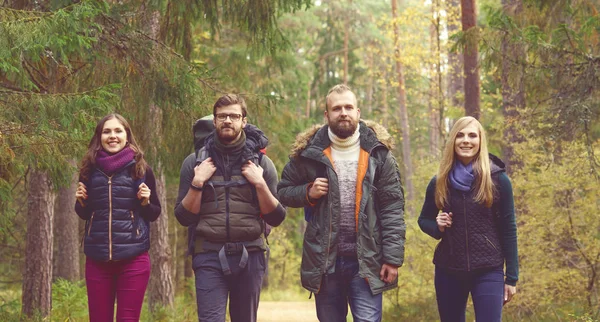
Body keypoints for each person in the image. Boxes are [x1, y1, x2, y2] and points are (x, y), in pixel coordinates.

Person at [277, 84, 406, 322]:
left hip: (367, 261)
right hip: (325, 261)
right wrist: (308, 192)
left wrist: (392, 258)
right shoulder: (309, 153)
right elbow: (283, 191)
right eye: (336, 108)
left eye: (348, 107)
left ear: (358, 112)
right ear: (327, 115)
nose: (343, 113)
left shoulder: (379, 154)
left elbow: (392, 208)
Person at [174, 94, 286, 322]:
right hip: (208, 255)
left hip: (251, 254)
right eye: (222, 116)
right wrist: (198, 183)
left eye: (234, 116)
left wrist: (260, 183)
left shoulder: (261, 163)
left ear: (244, 121)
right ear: (214, 121)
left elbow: (276, 216)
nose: (227, 120)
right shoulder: (194, 162)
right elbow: (183, 217)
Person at [417, 116, 519, 322]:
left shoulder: (498, 180)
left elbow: (509, 229)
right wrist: (438, 227)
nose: (466, 140)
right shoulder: (439, 181)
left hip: (489, 269)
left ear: (480, 141)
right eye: (460, 135)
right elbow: (423, 219)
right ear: (452, 141)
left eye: (472, 135)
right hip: (448, 270)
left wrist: (512, 278)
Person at [75, 113, 161, 322]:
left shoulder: (141, 169)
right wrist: (81, 202)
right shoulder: (88, 169)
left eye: (118, 131)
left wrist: (145, 202)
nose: (112, 136)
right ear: (99, 137)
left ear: (127, 136)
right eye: (107, 131)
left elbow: (154, 213)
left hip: (134, 258)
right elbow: (84, 213)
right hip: (97, 259)